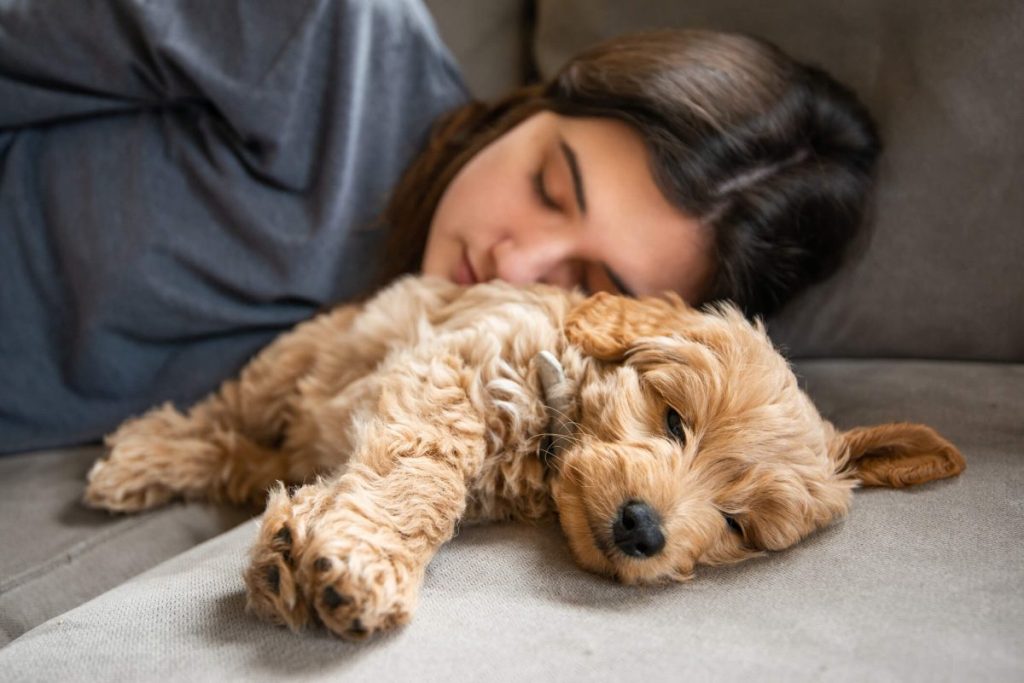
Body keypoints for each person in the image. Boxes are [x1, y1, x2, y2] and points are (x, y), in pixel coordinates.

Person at [0, 0, 879, 454]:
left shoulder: (488, 386)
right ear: (543, 103)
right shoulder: (322, 34)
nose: (517, 258)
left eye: (594, 282)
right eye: (549, 181)